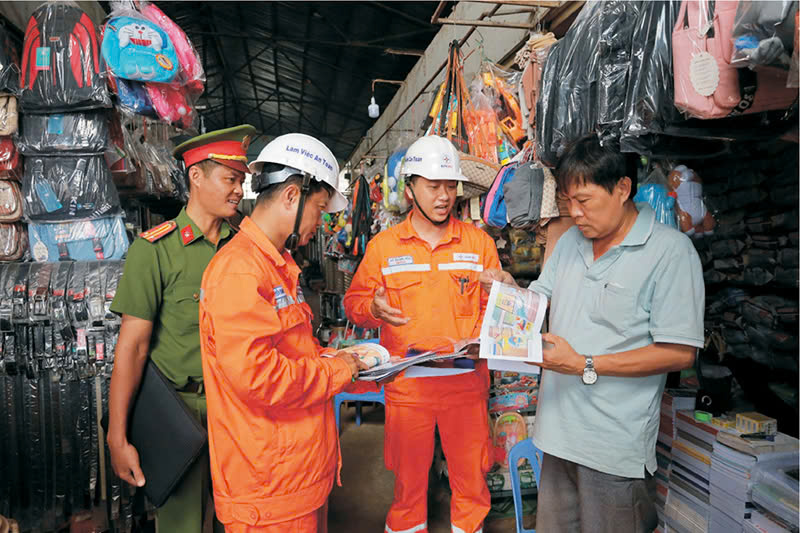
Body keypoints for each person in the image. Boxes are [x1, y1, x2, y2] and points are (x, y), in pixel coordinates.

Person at [481, 134, 704, 533]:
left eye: (584, 201)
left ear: (622, 188)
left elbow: (679, 353)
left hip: (613, 449)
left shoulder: (669, 253)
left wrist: (584, 363)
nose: (576, 214)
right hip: (556, 437)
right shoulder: (569, 244)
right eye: (568, 203)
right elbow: (540, 299)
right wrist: (509, 289)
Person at [198, 133, 373, 532]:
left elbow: (290, 352)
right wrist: (336, 372)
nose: (321, 222)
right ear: (292, 197)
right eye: (320, 208)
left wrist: (344, 360)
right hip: (269, 489)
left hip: (294, 477)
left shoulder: (276, 265)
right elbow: (260, 377)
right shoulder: (241, 270)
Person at [344, 135, 501, 533]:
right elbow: (354, 304)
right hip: (408, 390)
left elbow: (494, 313)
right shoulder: (383, 248)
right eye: (433, 186)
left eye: (450, 186)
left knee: (471, 488)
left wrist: (506, 293)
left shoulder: (478, 243)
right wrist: (371, 308)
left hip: (466, 387)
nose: (444, 196)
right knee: (408, 489)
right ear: (410, 187)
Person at [107, 125, 256, 532]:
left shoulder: (246, 249)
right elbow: (133, 349)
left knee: (244, 519)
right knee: (183, 526)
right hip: (182, 415)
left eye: (241, 181)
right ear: (196, 176)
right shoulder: (154, 251)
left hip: (241, 413)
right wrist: (117, 437)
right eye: (230, 179)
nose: (238, 190)